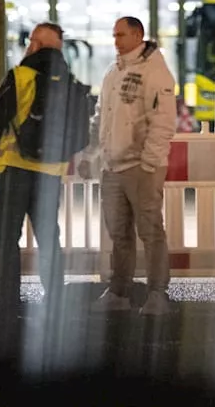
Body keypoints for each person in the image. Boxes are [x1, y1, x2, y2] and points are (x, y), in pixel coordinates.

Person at [82, 16, 177, 316]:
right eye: (114, 35)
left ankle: (156, 294)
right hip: (114, 167)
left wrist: (149, 161)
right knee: (119, 233)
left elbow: (163, 120)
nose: (115, 41)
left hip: (139, 167)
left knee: (150, 231)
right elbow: (101, 117)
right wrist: (93, 153)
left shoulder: (154, 70)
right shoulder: (114, 71)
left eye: (121, 35)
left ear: (138, 35)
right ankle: (120, 292)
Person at [0, 23, 77, 316]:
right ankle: (56, 297)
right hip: (49, 173)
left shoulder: (20, 76)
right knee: (49, 237)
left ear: (34, 45)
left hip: (12, 169)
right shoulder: (69, 83)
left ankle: (8, 299)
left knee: (8, 237)